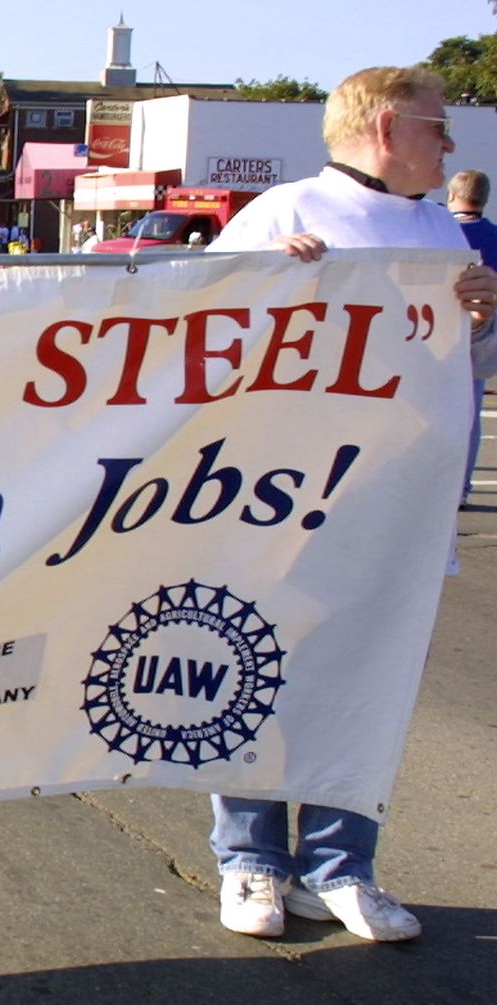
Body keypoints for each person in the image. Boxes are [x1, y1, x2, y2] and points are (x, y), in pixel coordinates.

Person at [206, 65, 497, 944]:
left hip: (396, 502)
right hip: (281, 496)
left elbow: (463, 372)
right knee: (256, 669)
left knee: (368, 680)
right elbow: (195, 333)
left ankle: (340, 867)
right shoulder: (283, 212)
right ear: (385, 127)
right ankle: (251, 859)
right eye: (437, 127)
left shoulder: (440, 229)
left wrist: (484, 321)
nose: (450, 145)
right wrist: (259, 279)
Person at [449, 169, 497, 506]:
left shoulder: (439, 232)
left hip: (434, 329)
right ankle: (461, 488)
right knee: (470, 413)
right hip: (479, 329)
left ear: (453, 195)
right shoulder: (493, 236)